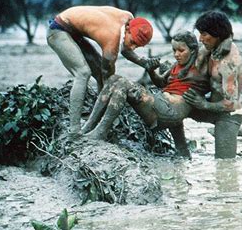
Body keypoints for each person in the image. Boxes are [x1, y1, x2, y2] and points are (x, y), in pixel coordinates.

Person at [81, 30, 210, 157]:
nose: (176, 54)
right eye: (174, 50)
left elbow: (210, 47)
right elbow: (160, 83)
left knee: (123, 84)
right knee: (113, 79)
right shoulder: (176, 65)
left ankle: (101, 131)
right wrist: (151, 71)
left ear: (193, 51)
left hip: (170, 111)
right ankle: (88, 127)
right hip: (163, 103)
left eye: (181, 51)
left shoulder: (198, 64)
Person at [47, 5, 159, 138]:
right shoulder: (111, 38)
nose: (133, 47)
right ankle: (74, 130)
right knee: (83, 73)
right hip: (58, 30)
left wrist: (144, 62)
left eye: (137, 46)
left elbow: (126, 49)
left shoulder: (129, 19)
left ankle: (94, 121)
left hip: (75, 32)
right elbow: (109, 80)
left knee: (99, 74)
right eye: (133, 42)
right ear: (128, 29)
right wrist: (112, 113)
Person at [183, 11, 242, 159]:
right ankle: (181, 152)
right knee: (172, 109)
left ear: (217, 33)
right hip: (210, 103)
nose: (200, 38)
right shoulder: (212, 48)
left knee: (225, 164)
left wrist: (203, 104)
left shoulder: (229, 61)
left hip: (227, 114)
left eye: (204, 34)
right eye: (200, 33)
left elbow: (231, 103)